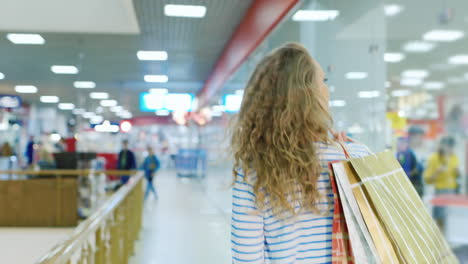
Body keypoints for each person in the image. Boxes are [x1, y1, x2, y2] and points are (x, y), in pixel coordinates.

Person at [230, 43, 372, 263]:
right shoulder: (354, 157)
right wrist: (348, 148)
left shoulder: (253, 169)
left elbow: (246, 257)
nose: (328, 89)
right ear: (310, 96)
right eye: (323, 81)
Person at [424, 136, 460, 231]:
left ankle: (446, 238)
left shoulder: (454, 157)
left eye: (452, 147)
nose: (450, 149)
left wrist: (458, 172)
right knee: (440, 218)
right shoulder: (434, 158)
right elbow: (427, 179)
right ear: (442, 146)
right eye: (448, 147)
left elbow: (457, 176)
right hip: (440, 191)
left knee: (450, 218)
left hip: (452, 191)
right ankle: (439, 238)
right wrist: (437, 172)